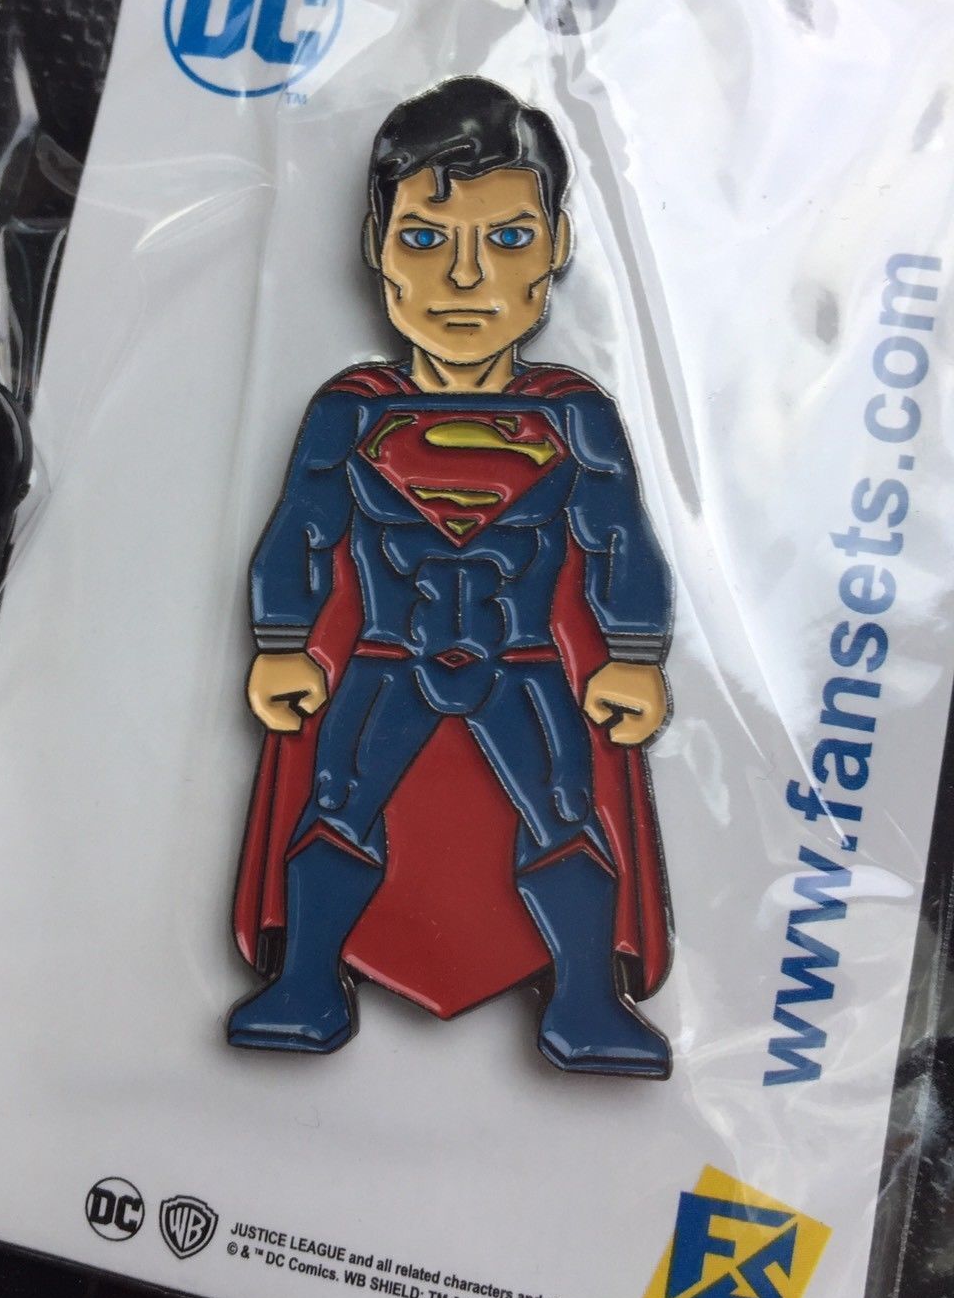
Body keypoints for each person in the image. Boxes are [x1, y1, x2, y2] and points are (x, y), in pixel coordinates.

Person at [229, 76, 675, 1077]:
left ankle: (585, 1000)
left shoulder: (573, 417)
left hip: (524, 662)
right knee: (336, 802)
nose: (465, 278)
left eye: (507, 239)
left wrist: (635, 652)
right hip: (388, 655)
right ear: (377, 247)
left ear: (558, 246)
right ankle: (306, 982)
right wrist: (281, 641)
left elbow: (619, 539)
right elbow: (302, 531)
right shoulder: (351, 411)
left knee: (566, 812)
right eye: (426, 240)